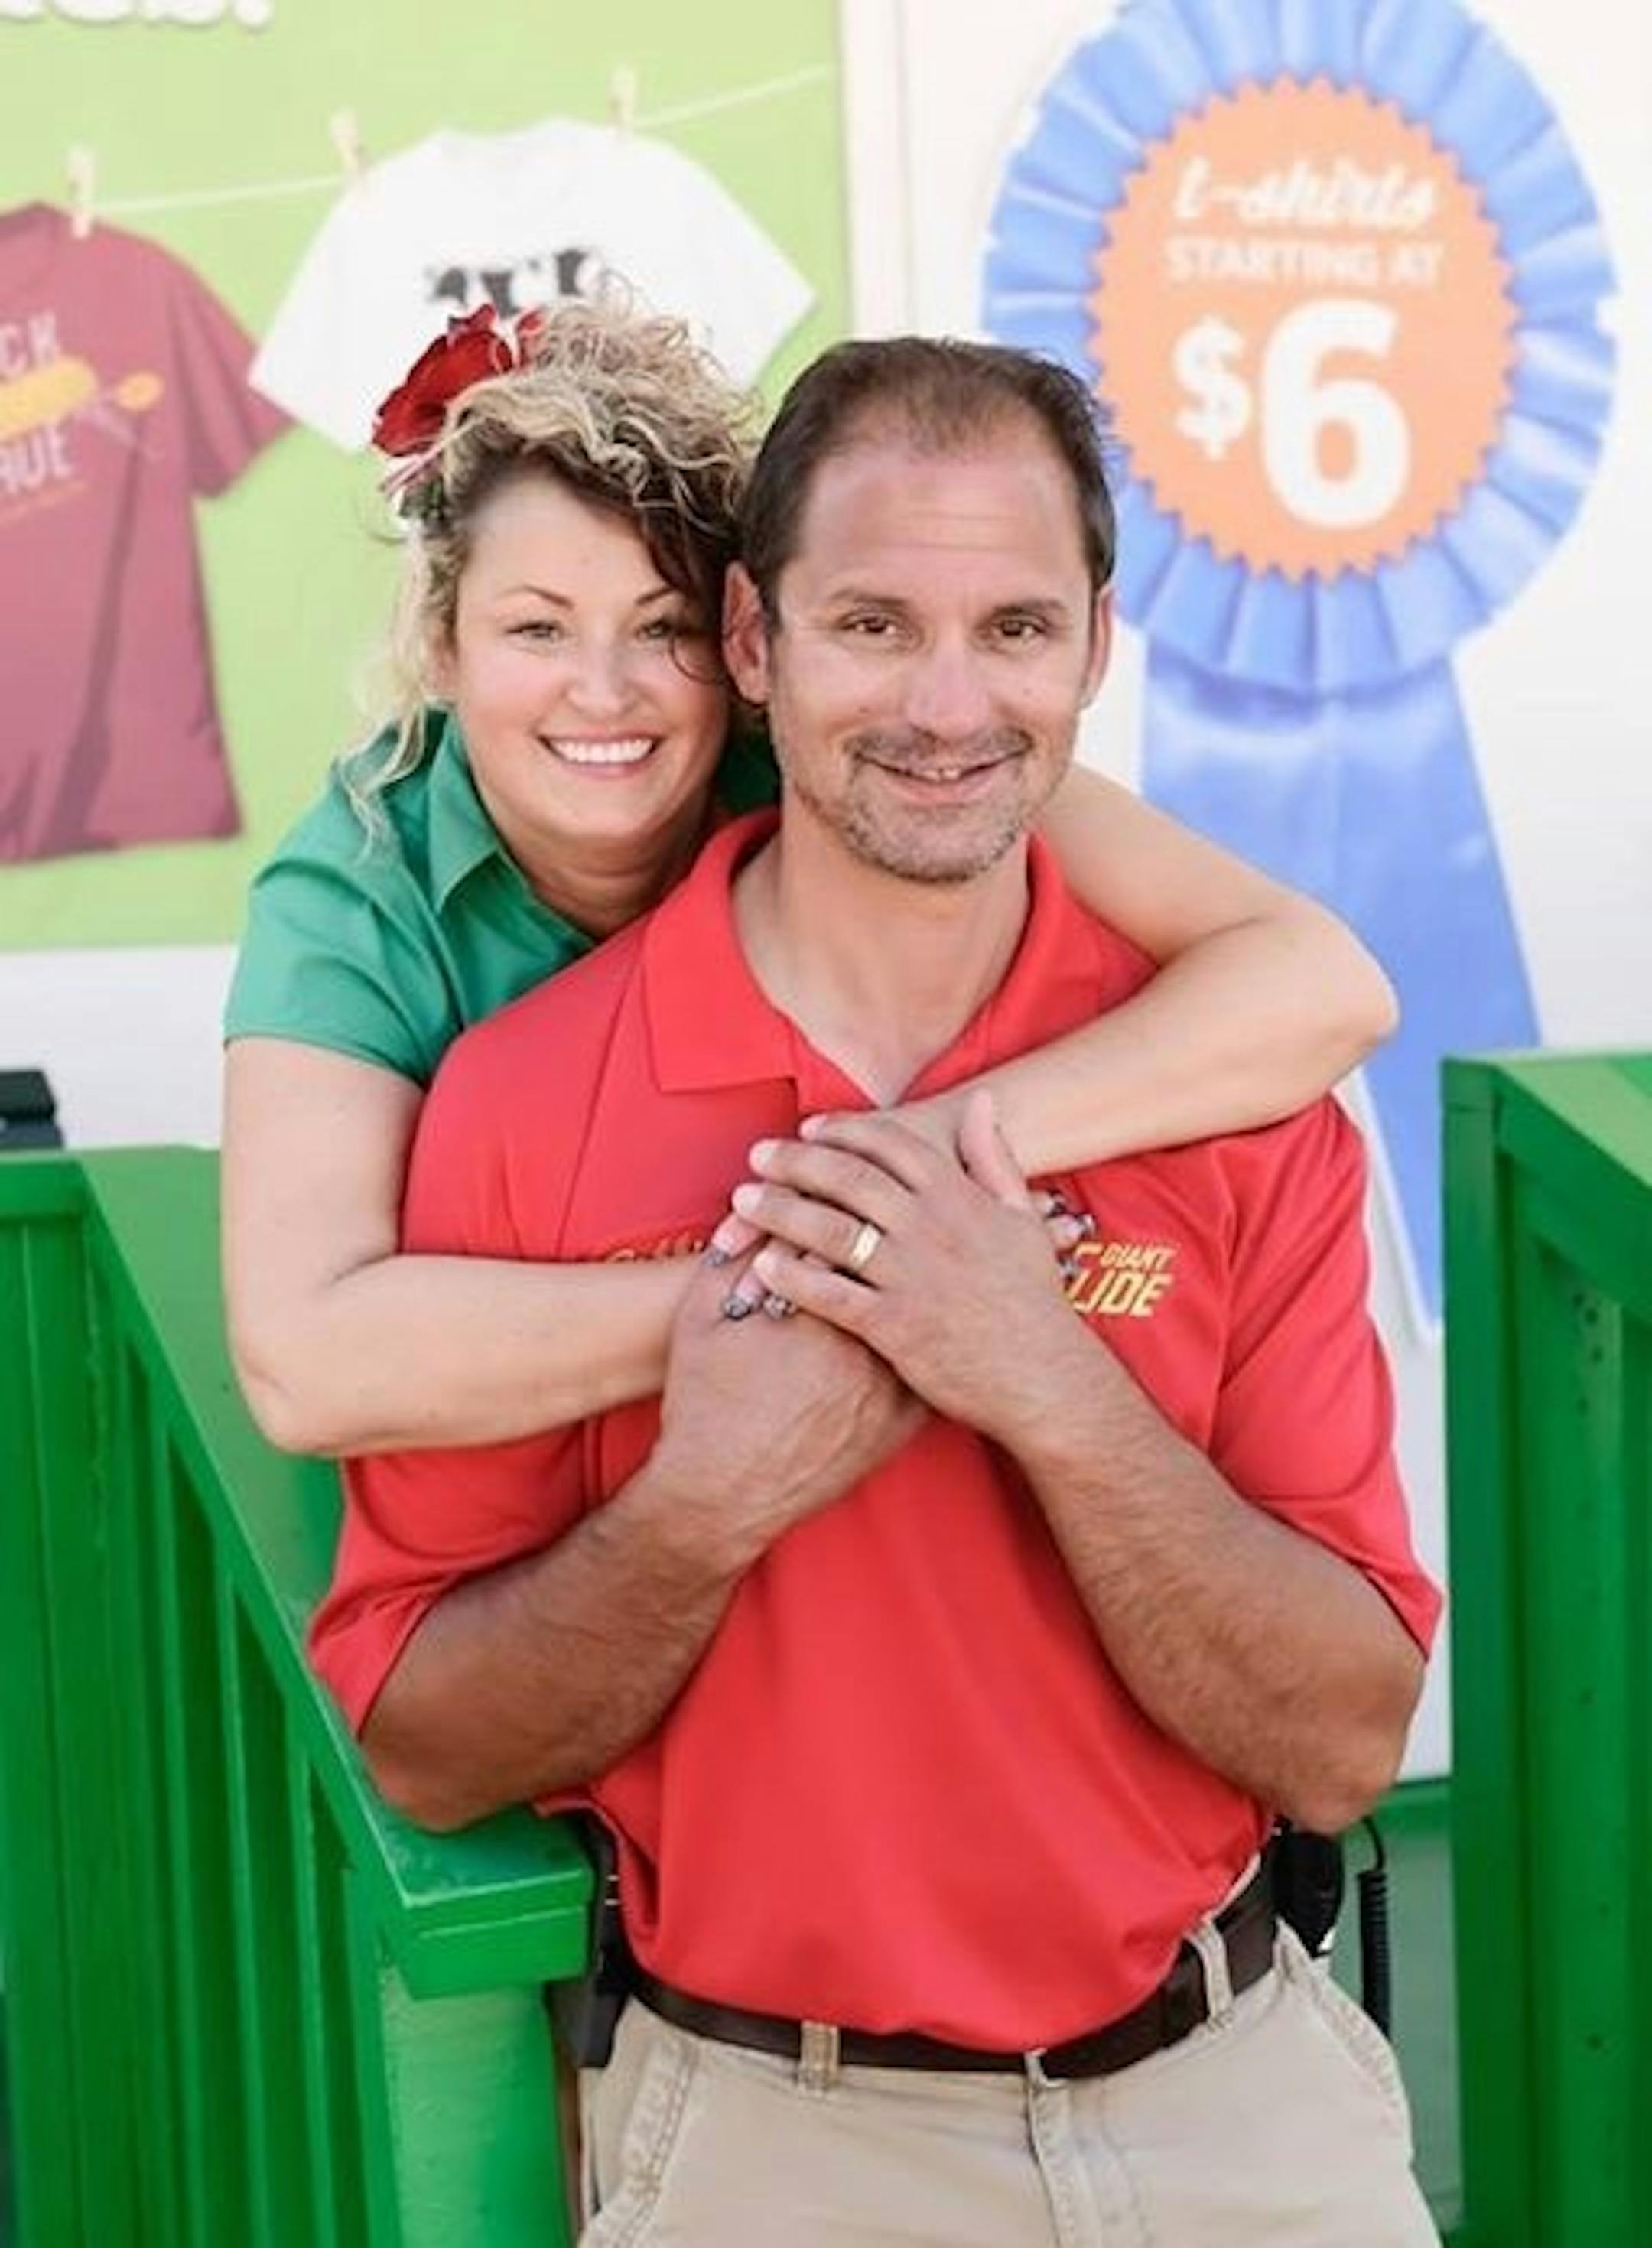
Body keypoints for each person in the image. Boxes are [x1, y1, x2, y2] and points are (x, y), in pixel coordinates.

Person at [307, 335, 1442, 2246]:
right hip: (776, 2137)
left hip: (1241, 2100)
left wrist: (1049, 1386)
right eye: (869, 622)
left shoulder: (1230, 1094)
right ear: (753, 642)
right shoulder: (517, 1107)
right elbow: (428, 1738)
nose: (944, 702)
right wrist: (708, 1500)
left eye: (1013, 628)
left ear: (1097, 645)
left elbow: (1338, 1741)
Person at [221, 298, 1395, 1462]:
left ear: (745, 645)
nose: (603, 691)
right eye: (537, 630)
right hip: (500, 1476)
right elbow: (305, 1367)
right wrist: (813, 1276)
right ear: (444, 646)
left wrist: (906, 1174)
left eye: (663, 627)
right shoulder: (359, 880)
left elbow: (1322, 987)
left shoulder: (865, 750)